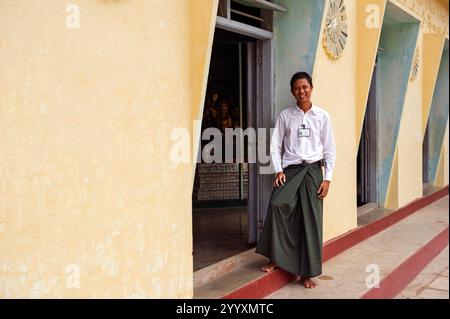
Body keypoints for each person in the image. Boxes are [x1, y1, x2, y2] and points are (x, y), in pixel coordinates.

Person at [255, 71, 336, 289]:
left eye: (305, 87)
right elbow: (275, 145)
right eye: (297, 88)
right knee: (277, 205)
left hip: (312, 172)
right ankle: (275, 258)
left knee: (310, 219)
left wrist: (327, 179)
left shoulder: (322, 116)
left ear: (311, 88)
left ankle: (307, 272)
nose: (301, 91)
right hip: (290, 170)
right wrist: (278, 170)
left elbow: (329, 149)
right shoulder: (286, 116)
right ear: (292, 92)